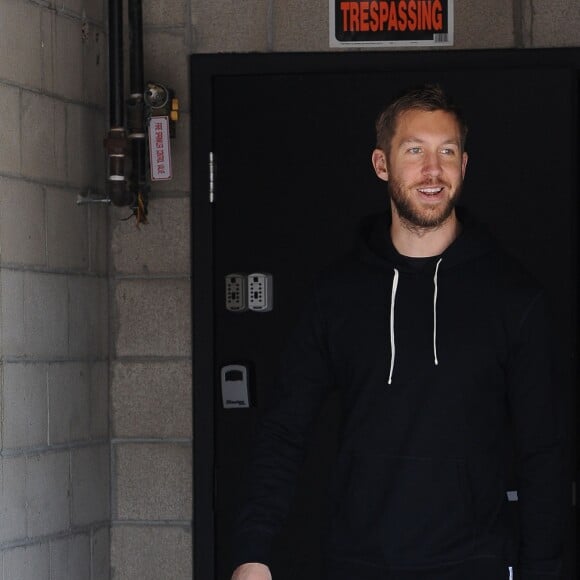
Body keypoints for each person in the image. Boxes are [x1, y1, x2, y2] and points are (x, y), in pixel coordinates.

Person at [230, 84, 566, 580]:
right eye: (415, 151)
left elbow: (544, 453)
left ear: (465, 165)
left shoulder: (513, 297)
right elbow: (285, 428)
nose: (433, 170)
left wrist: (545, 570)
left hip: (477, 563)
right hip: (357, 562)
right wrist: (252, 552)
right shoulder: (337, 295)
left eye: (446, 152)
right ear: (381, 164)